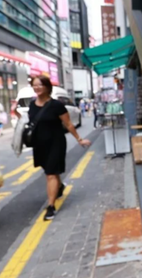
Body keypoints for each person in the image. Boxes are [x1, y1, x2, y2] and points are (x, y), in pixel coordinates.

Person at [22, 76, 91, 221]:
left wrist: (79, 139)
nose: (37, 88)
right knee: (49, 170)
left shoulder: (56, 105)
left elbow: (69, 124)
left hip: (55, 143)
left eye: (40, 85)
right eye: (34, 85)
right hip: (39, 144)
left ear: (47, 87)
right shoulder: (32, 104)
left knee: (51, 174)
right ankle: (59, 187)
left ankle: (51, 206)